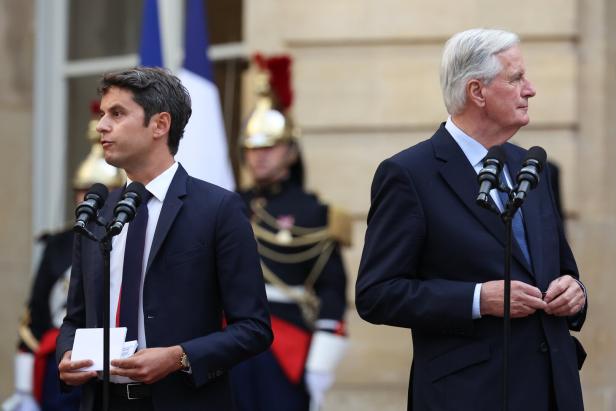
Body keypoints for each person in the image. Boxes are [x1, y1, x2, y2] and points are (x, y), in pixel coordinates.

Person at [355, 29, 587, 411]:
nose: (530, 90)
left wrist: (575, 292)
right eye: (516, 79)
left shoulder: (534, 166)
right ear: (477, 92)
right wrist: (479, 299)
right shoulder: (409, 174)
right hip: (469, 395)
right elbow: (377, 294)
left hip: (552, 391)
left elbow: (562, 269)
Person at [55, 67, 272, 411]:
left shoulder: (217, 209)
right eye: (102, 114)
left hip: (183, 400)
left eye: (117, 113)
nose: (101, 126)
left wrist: (178, 357)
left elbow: (254, 328)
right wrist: (66, 355)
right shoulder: (97, 212)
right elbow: (75, 319)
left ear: (160, 125)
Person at [230, 54, 350, 411]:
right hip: (226, 338)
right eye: (252, 149)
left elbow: (332, 290)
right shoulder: (227, 204)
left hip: (284, 342)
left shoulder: (315, 212)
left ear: (291, 151)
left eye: (269, 148)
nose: (259, 157)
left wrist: (321, 361)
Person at [2, 102, 125, 411]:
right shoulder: (59, 244)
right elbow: (36, 313)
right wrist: (24, 386)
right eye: (81, 191)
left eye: (95, 191)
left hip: (115, 354)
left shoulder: (129, 236)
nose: (86, 199)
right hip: (65, 355)